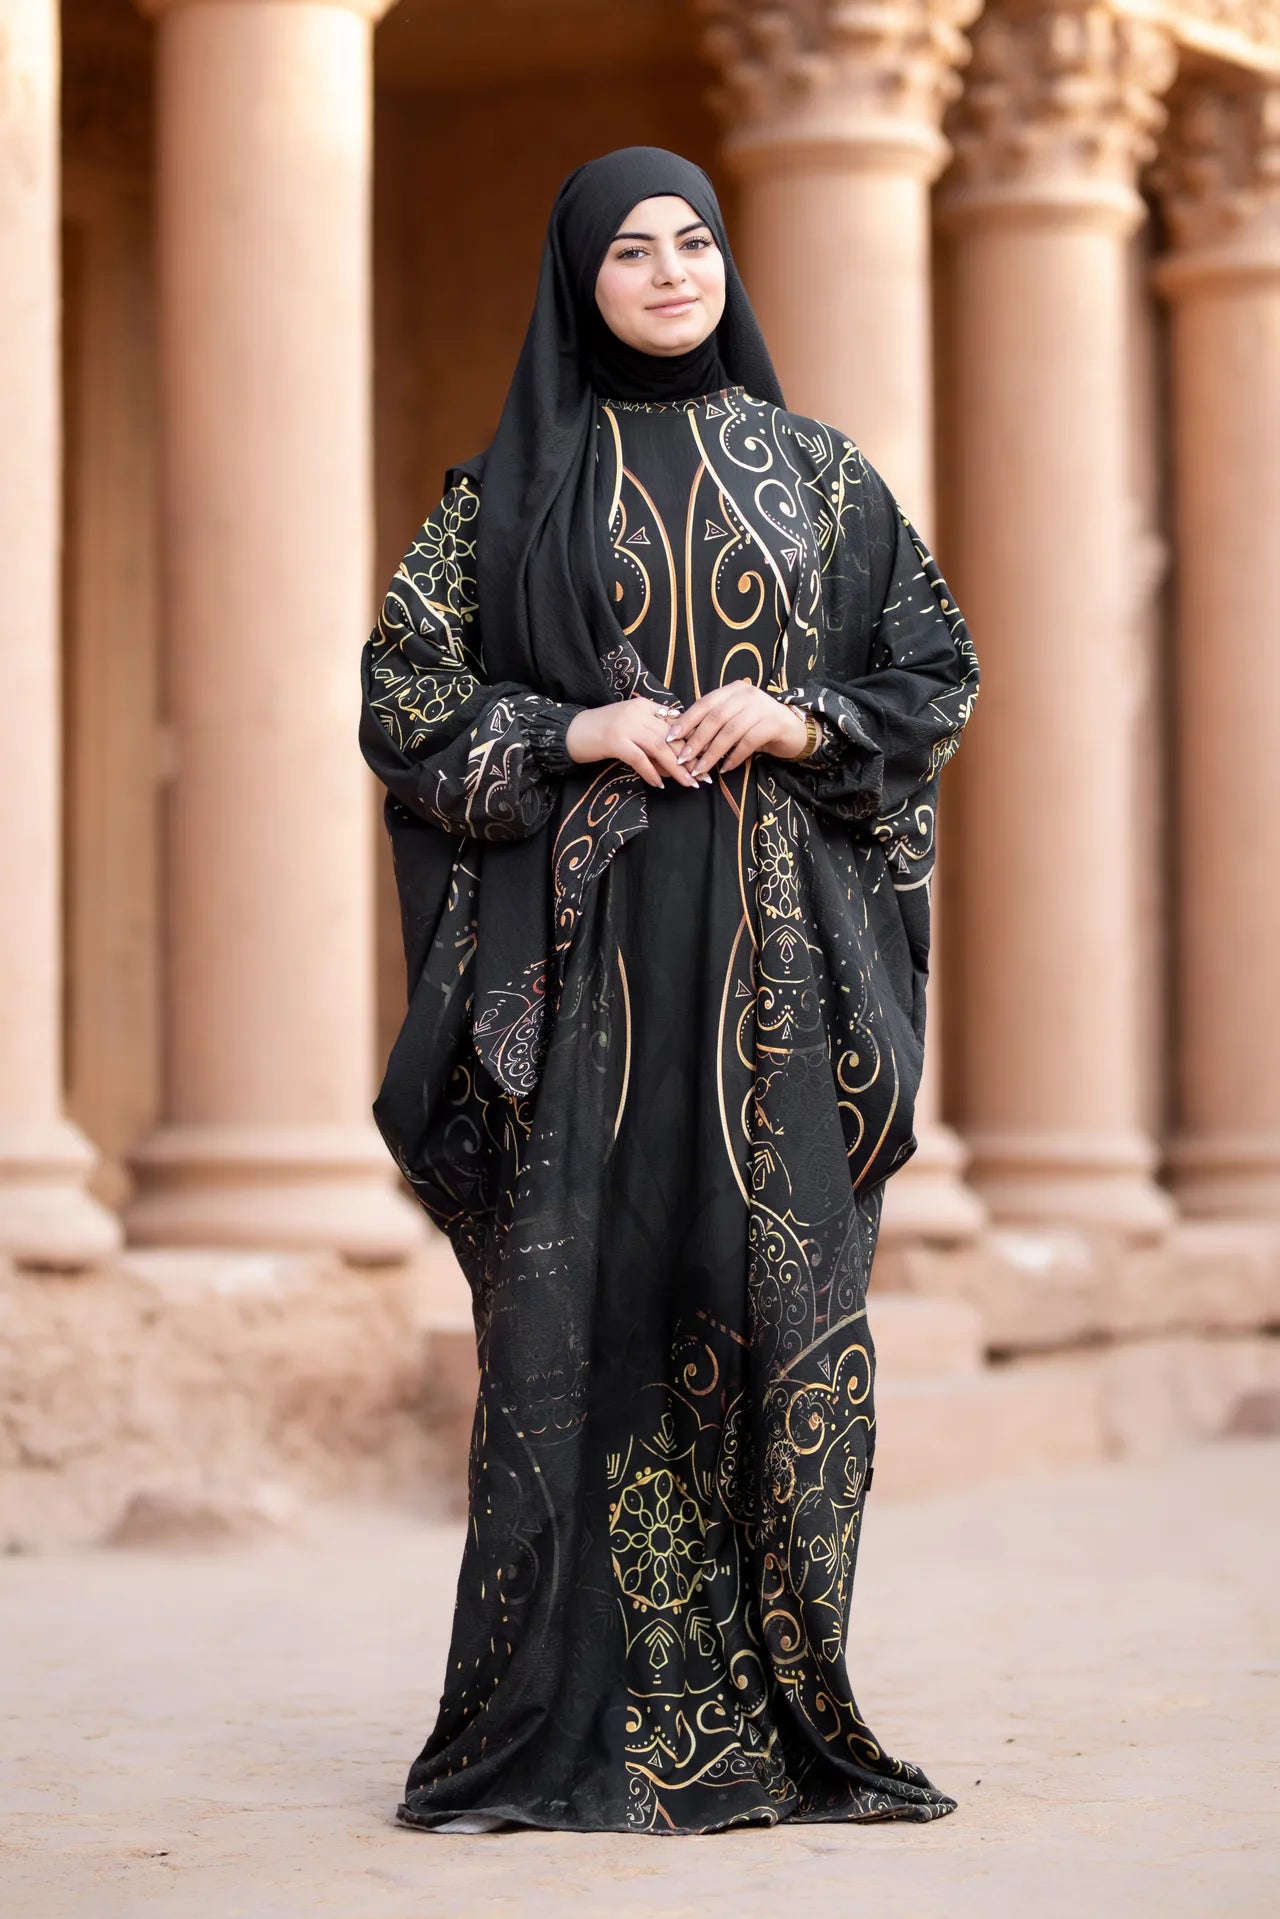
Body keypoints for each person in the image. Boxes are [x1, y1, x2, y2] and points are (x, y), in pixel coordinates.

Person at [359, 145, 979, 1837]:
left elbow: (936, 666)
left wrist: (801, 718)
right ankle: (558, 1729)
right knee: (586, 1318)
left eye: (691, 241)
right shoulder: (504, 497)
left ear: (726, 263)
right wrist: (572, 730)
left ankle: (784, 1718)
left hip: (784, 975)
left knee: (781, 1316)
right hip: (590, 984)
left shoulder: (827, 480)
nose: (667, 270)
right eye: (628, 250)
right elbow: (402, 695)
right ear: (583, 282)